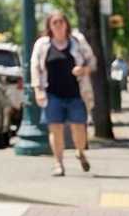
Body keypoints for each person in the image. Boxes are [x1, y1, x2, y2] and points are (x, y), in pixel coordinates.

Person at [30, 12, 96, 177]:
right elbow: (35, 67)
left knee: (79, 128)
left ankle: (80, 152)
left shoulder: (77, 41)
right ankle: (58, 164)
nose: (58, 25)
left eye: (61, 21)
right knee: (55, 129)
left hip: (76, 93)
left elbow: (92, 61)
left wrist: (84, 69)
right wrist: (37, 90)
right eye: (54, 22)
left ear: (66, 24)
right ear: (49, 26)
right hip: (52, 94)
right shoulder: (42, 44)